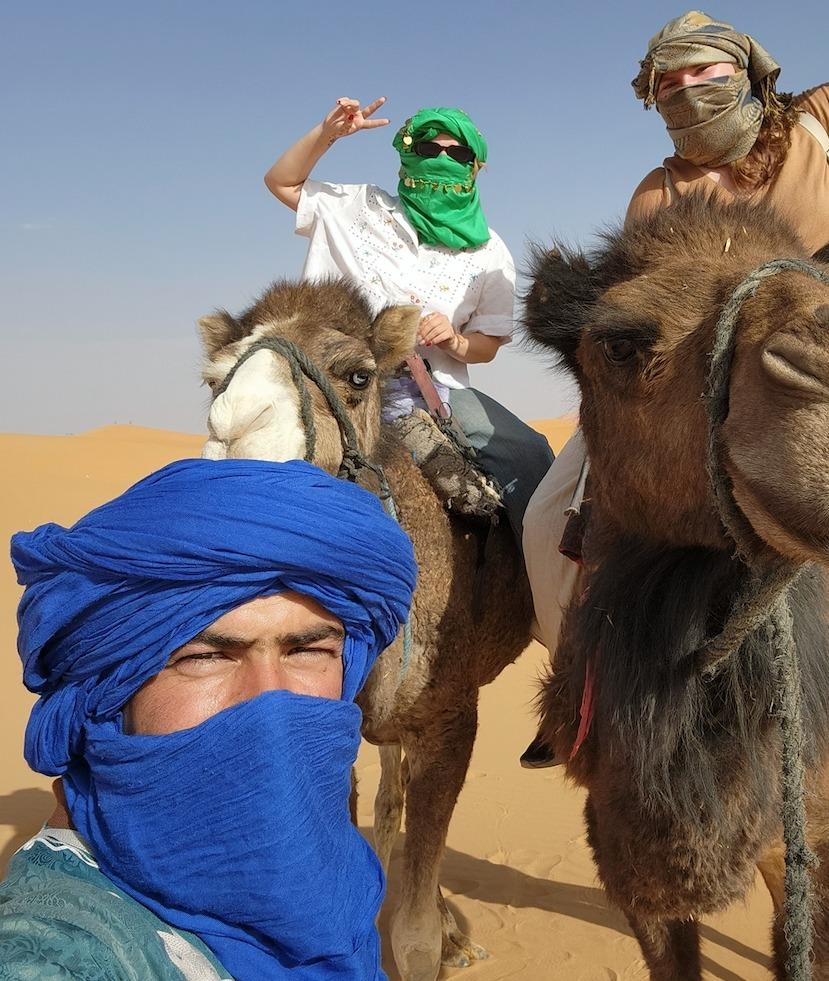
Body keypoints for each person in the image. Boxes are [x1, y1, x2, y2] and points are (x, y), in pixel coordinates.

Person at [520, 9, 829, 769]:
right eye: (670, 81)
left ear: (749, 75)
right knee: (553, 521)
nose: (688, 90)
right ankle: (583, 690)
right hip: (702, 387)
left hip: (815, 359)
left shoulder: (815, 128)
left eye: (705, 72)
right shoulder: (657, 191)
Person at [0, 458, 416, 980]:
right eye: (204, 658)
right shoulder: (57, 955)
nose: (270, 700)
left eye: (307, 650)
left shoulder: (339, 887)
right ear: (108, 694)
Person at [263, 98, 554, 547]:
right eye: (426, 148)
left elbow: (489, 344)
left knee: (530, 457)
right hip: (331, 382)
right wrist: (328, 135)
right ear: (406, 155)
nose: (441, 159)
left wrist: (455, 341)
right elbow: (281, 181)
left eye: (456, 153)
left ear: (474, 168)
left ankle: (537, 598)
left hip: (436, 392)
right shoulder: (356, 207)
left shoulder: (490, 253)